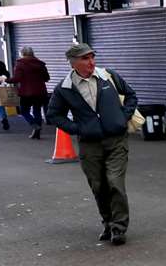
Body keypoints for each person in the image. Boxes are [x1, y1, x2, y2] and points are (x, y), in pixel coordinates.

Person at [46, 42, 137, 245]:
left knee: (115, 182)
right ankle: (108, 222)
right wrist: (76, 128)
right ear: (73, 63)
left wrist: (122, 117)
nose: (91, 62)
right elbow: (53, 114)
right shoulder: (65, 88)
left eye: (92, 57)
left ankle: (119, 228)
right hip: (90, 144)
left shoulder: (108, 76)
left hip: (116, 139)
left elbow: (131, 95)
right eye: (85, 58)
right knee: (98, 185)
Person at [10, 46, 51, 141]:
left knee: (24, 111)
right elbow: (46, 78)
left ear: (22, 54)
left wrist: (5, 80)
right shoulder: (40, 64)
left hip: (26, 92)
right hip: (40, 92)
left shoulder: (20, 64)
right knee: (37, 111)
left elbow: (17, 79)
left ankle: (34, 125)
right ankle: (37, 134)